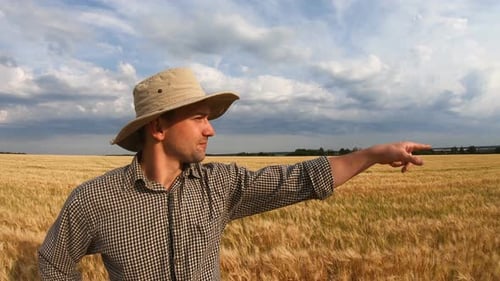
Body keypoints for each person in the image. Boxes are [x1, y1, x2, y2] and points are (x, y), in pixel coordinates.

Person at [38, 67, 431, 280]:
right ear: (158, 128)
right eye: (198, 118)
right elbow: (53, 262)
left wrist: (374, 154)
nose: (210, 130)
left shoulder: (221, 185)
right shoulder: (96, 199)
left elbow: (300, 180)